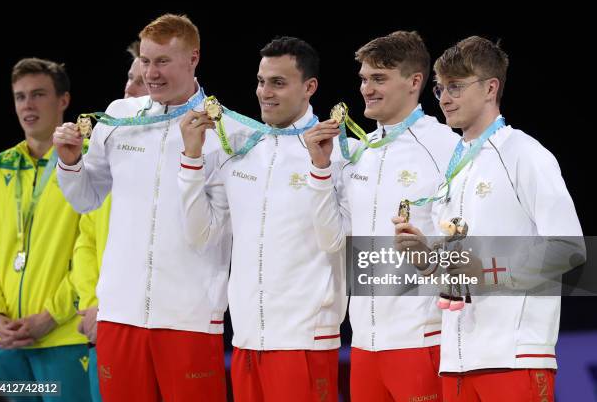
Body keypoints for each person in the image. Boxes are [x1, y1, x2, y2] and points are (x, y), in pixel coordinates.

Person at [53, 14, 233, 401]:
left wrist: (193, 156)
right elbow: (87, 198)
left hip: (190, 316)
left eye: (163, 61)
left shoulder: (227, 132)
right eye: (147, 61)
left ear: (193, 58)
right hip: (119, 313)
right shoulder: (118, 117)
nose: (152, 73)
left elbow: (214, 232)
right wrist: (69, 163)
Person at [394, 36, 584, 402]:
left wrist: (490, 270)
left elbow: (569, 248)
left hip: (515, 355)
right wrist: (425, 258)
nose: (444, 98)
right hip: (456, 358)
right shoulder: (453, 168)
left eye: (456, 87)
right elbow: (458, 266)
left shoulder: (526, 154)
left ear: (490, 88)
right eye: (440, 88)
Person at [178, 36, 346, 401]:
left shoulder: (342, 153)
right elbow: (201, 235)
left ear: (310, 87)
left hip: (306, 341)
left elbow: (339, 242)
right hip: (245, 340)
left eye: (278, 83)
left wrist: (320, 168)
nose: (264, 93)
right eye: (261, 81)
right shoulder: (239, 152)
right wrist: (191, 158)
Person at [304, 30, 459, 402]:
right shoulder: (360, 153)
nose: (366, 89)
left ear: (414, 81)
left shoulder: (447, 147)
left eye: (379, 78)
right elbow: (332, 241)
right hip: (364, 344)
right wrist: (321, 169)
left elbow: (467, 243)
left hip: (423, 341)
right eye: (363, 79)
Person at [0, 57, 90, 402]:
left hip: (64, 338)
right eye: (20, 96)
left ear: (63, 100)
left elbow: (94, 251)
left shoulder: (87, 163)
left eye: (38, 94)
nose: (27, 105)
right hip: (5, 342)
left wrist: (51, 316)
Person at [71, 40, 149, 402]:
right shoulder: (101, 163)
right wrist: (91, 303)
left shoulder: (189, 156)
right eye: (129, 78)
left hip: (136, 322)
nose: (128, 89)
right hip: (94, 322)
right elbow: (85, 241)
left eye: (139, 81)